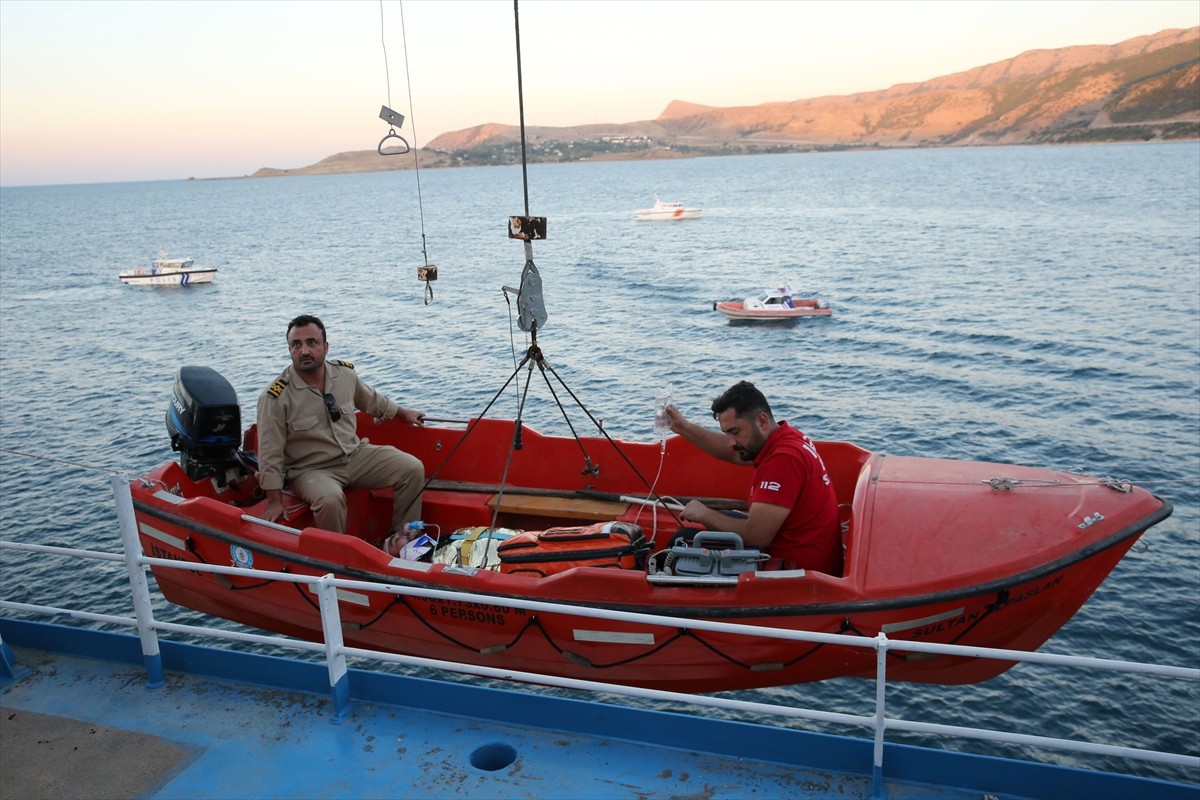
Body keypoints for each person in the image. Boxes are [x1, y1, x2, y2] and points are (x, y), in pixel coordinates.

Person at [255, 314, 425, 555]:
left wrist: (403, 413)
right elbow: (269, 453)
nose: (304, 350)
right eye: (296, 344)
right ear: (289, 349)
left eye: (312, 342)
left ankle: (402, 542)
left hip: (353, 455)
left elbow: (371, 400)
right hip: (310, 470)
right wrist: (274, 501)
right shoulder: (275, 397)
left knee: (411, 468)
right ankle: (337, 559)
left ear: (325, 346)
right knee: (330, 500)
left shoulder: (344, 374)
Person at [663, 380, 841, 574]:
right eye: (727, 433)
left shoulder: (783, 459)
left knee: (682, 541)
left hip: (798, 574)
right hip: (806, 554)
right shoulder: (785, 438)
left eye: (735, 432)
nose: (731, 442)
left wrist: (704, 514)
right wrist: (683, 427)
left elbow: (757, 536)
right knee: (722, 519)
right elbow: (733, 454)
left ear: (762, 421)